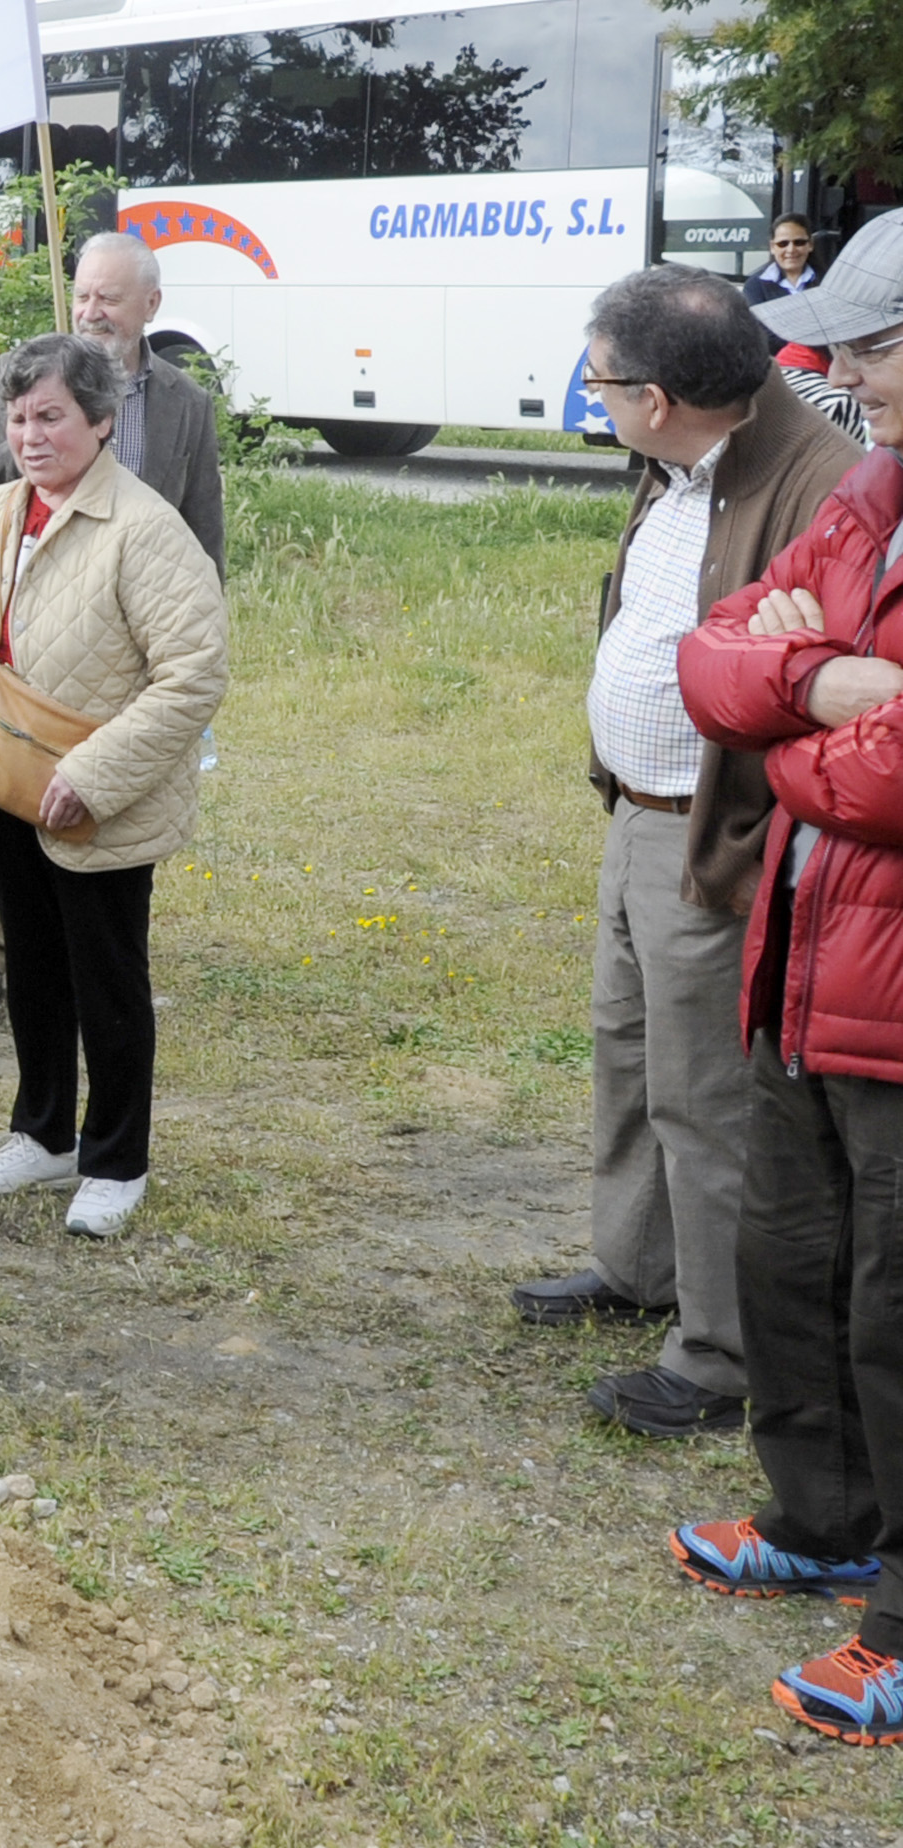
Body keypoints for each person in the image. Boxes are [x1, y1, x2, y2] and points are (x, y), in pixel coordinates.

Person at [507, 267, 857, 1439]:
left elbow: (817, 684)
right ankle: (639, 1268)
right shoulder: (680, 456)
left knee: (708, 1100)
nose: (592, 399)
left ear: (658, 396)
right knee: (629, 1057)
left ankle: (719, 1354)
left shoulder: (820, 487)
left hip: (716, 834)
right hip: (639, 812)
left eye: (600, 382)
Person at [674, 209, 903, 1748]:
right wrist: (819, 682)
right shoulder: (876, 493)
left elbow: (891, 788)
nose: (837, 369)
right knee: (795, 1265)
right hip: (809, 961)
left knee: (902, 1303)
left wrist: (790, 734)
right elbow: (713, 654)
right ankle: (824, 1520)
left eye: (873, 347)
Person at [0, 334, 228, 1240]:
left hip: (101, 797)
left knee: (107, 980)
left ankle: (116, 1160)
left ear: (100, 421)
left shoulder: (143, 527)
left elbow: (195, 671)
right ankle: (43, 1132)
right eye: (18, 418)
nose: (30, 434)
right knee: (35, 971)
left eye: (51, 415)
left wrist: (92, 776)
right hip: (5, 781)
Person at [0, 232, 228, 1022]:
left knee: (110, 806)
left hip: (135, 632)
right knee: (2, 780)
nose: (92, 310)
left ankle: (95, 957)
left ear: (150, 305)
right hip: (37, 622)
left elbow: (202, 529)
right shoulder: (30, 378)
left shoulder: (186, 403)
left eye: (109, 297)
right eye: (83, 295)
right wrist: (46, 434)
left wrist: (197, 614)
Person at [743, 214, 824, 355]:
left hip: (822, 368)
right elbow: (759, 334)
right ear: (772, 247)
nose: (791, 250)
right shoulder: (755, 286)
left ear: (810, 245)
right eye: (783, 244)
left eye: (799, 242)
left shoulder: (827, 282)